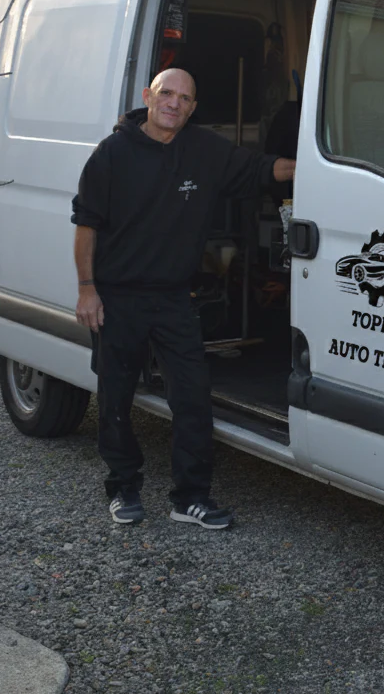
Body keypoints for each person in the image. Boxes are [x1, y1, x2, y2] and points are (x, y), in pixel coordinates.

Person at [70, 69, 296, 529]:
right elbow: (86, 224)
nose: (174, 103)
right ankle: (123, 486)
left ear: (193, 108)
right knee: (115, 398)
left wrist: (317, 166)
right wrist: (87, 290)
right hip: (118, 296)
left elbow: (262, 169)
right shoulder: (112, 153)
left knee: (192, 398)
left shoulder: (205, 150)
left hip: (174, 298)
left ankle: (190, 498)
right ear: (148, 96)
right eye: (167, 93)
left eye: (184, 98)